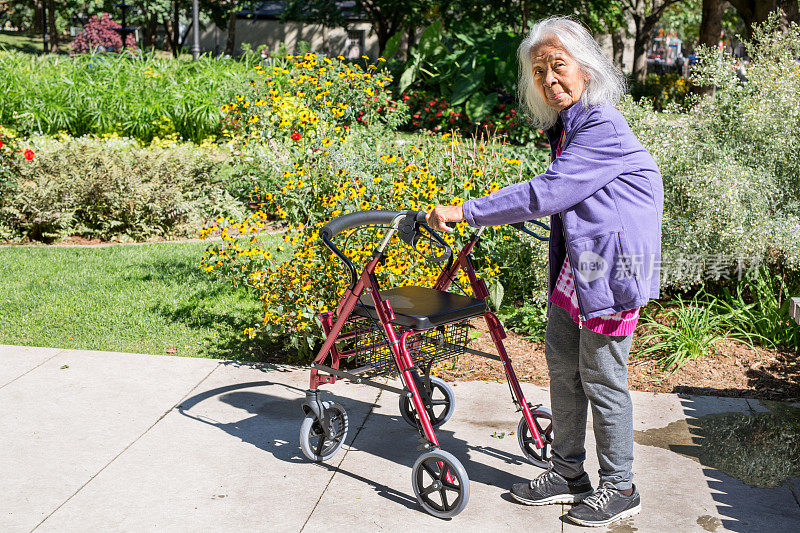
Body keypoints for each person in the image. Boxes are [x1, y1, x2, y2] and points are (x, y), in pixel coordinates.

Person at [426, 16, 663, 528]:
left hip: (613, 269)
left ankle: (621, 487)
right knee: (560, 361)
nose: (549, 79)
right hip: (581, 267)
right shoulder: (568, 124)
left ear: (586, 68)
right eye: (539, 71)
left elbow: (545, 193)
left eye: (559, 65)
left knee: (603, 376)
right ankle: (567, 473)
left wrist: (466, 210)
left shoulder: (601, 125)